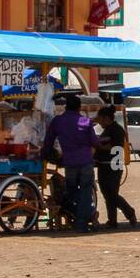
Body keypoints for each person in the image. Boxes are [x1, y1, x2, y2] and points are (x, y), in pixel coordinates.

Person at [42, 94, 98, 231]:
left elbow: (48, 141)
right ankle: (82, 222)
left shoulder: (58, 121)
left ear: (66, 107)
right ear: (79, 108)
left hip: (69, 163)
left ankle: (77, 215)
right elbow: (94, 141)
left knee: (71, 191)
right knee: (85, 191)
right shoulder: (84, 121)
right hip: (85, 161)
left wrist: (46, 154)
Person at [94, 106, 137, 228]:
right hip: (105, 165)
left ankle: (129, 212)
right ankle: (112, 220)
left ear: (107, 118)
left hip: (113, 166)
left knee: (112, 194)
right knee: (107, 194)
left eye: (100, 119)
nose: (99, 122)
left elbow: (112, 147)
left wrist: (97, 145)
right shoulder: (108, 129)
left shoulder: (116, 130)